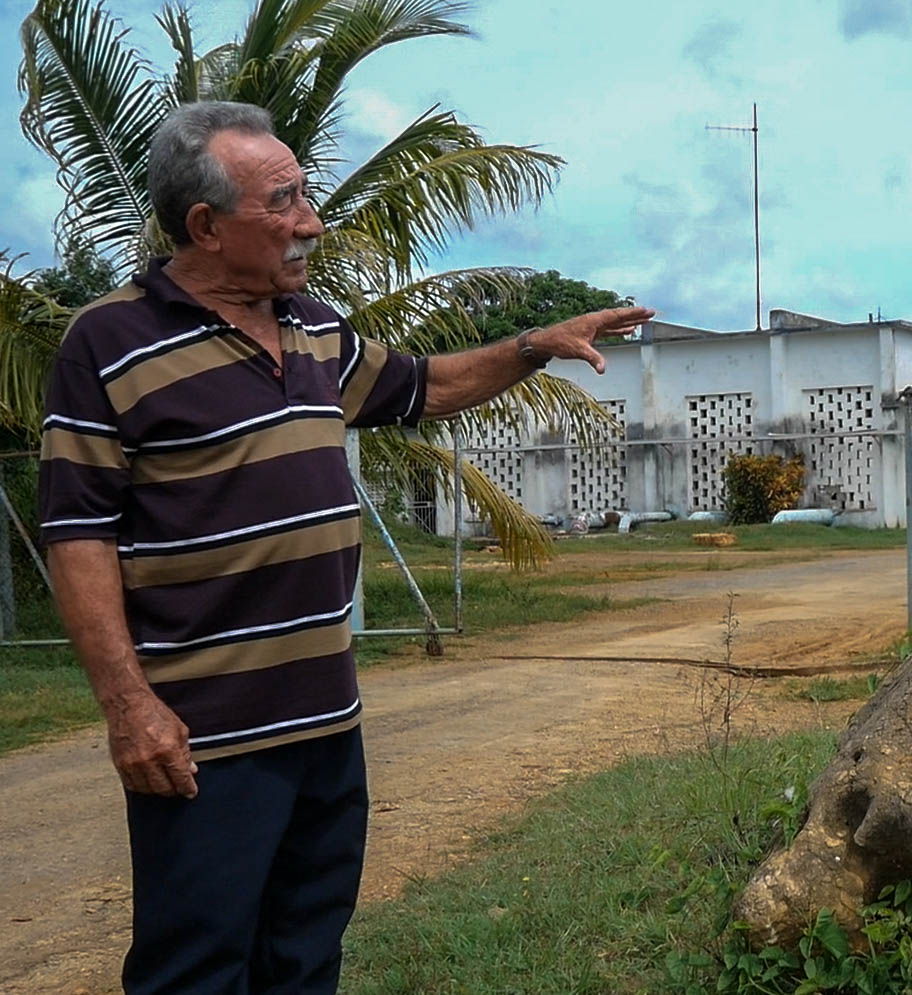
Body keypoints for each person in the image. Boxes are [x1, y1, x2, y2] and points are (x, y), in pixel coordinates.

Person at [36, 100, 653, 994]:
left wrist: (533, 345)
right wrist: (129, 707)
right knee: (196, 965)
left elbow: (426, 387)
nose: (309, 222)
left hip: (327, 720)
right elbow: (77, 531)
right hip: (205, 736)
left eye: (306, 196)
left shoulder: (316, 327)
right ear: (205, 226)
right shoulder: (110, 340)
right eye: (282, 202)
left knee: (305, 954)